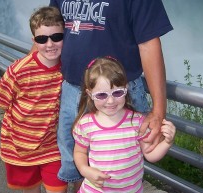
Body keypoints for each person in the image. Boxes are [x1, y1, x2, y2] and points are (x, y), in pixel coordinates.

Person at [49, 0, 174, 189]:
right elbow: (52, 38)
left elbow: (149, 46)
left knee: (119, 173)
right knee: (73, 166)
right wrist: (23, 76)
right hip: (73, 94)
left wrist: (159, 110)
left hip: (121, 97)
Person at [0, 6, 68, 193]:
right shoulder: (19, 70)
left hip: (52, 147)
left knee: (58, 189)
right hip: (19, 147)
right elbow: (1, 101)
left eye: (56, 37)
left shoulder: (67, 69)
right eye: (42, 39)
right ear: (34, 41)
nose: (50, 44)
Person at [72, 57, 176, 192]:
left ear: (126, 89)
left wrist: (167, 142)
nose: (110, 101)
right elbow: (79, 152)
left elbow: (150, 155)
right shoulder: (86, 124)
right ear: (90, 94)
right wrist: (85, 170)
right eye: (102, 95)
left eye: (117, 93)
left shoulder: (137, 121)